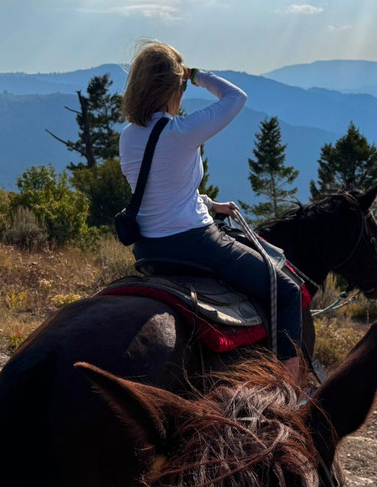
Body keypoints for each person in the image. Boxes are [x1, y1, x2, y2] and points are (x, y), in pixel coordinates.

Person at [118, 41, 303, 380]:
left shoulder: (128, 136)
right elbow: (236, 97)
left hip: (148, 246)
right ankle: (292, 386)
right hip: (194, 242)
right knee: (287, 291)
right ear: (174, 87)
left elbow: (160, 190)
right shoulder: (182, 131)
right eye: (181, 87)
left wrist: (207, 203)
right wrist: (197, 74)